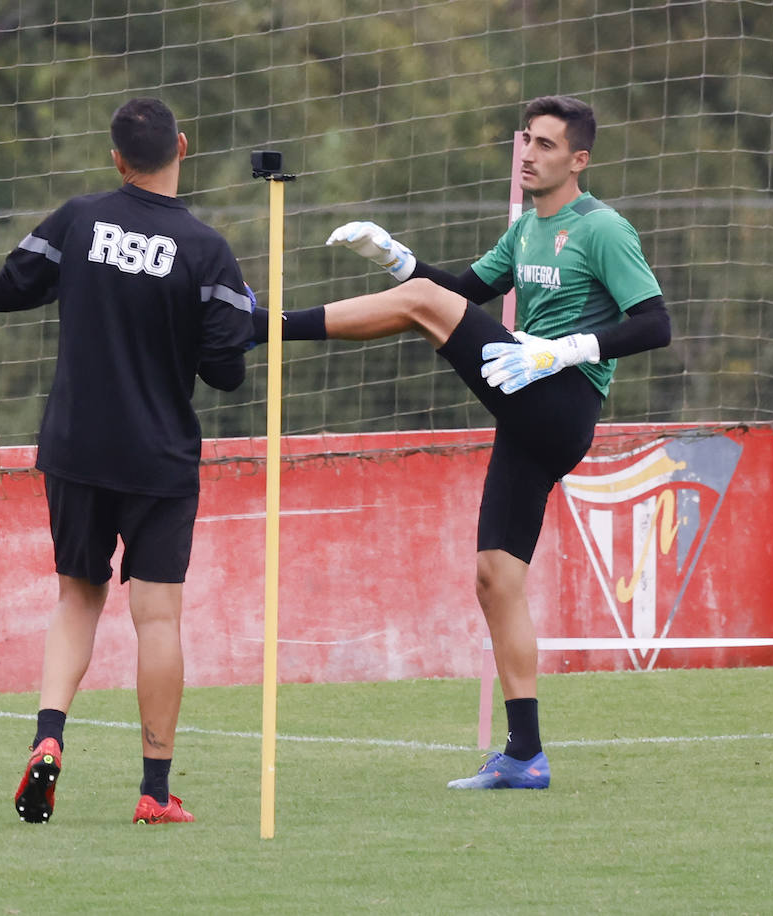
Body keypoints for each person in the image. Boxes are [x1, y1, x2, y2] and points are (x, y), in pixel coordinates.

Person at [263, 95, 671, 788]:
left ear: (578, 160)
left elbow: (655, 323)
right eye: (526, 142)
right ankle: (525, 756)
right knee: (495, 577)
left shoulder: (603, 229)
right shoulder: (525, 231)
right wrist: (395, 257)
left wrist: (564, 351)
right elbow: (459, 292)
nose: (528, 154)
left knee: (426, 309)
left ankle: (263, 325)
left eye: (544, 145)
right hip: (525, 410)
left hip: (562, 401)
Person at [0, 97, 255, 824]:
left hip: (75, 446)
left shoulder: (78, 219)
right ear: (183, 145)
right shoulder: (206, 250)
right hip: (158, 456)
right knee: (157, 618)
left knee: (77, 598)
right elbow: (226, 372)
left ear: (115, 158)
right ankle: (154, 788)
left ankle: (49, 740)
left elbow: (6, 291)